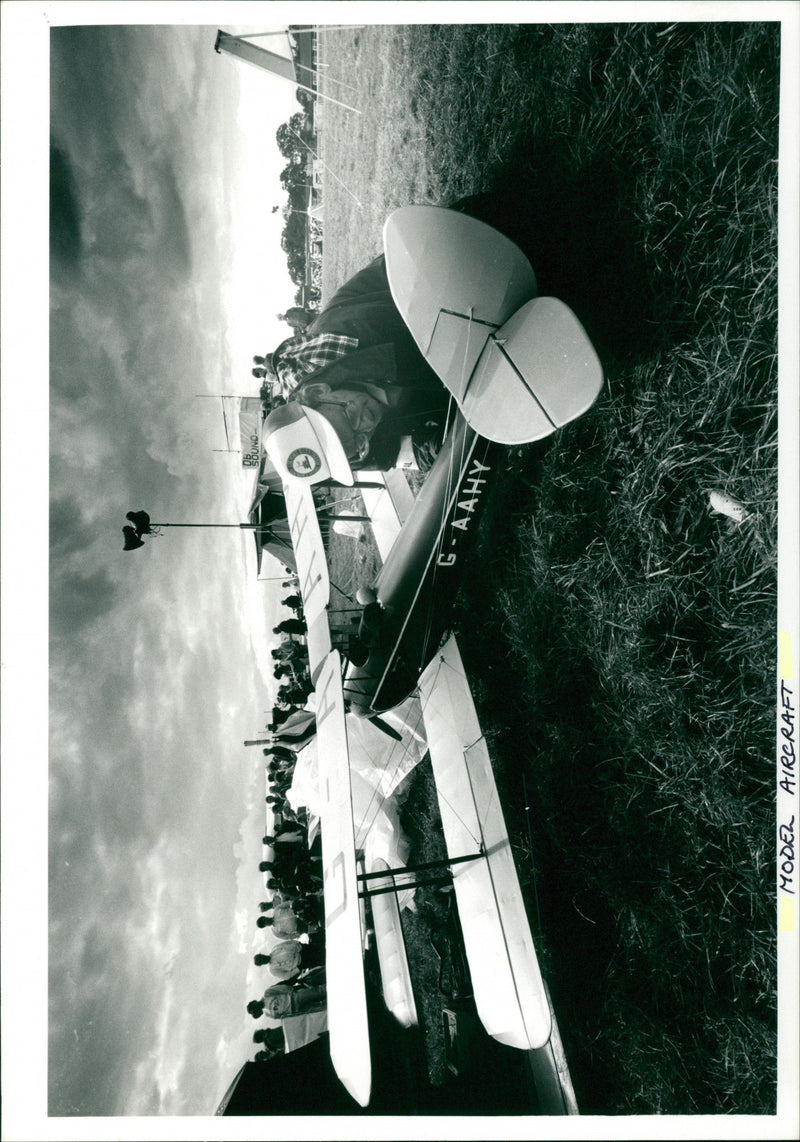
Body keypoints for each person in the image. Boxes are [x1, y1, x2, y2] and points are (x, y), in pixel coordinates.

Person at [267, 254, 451, 472]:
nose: (368, 425)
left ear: (318, 392)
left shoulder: (357, 331)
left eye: (350, 418)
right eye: (361, 440)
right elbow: (404, 453)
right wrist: (435, 447)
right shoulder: (339, 451)